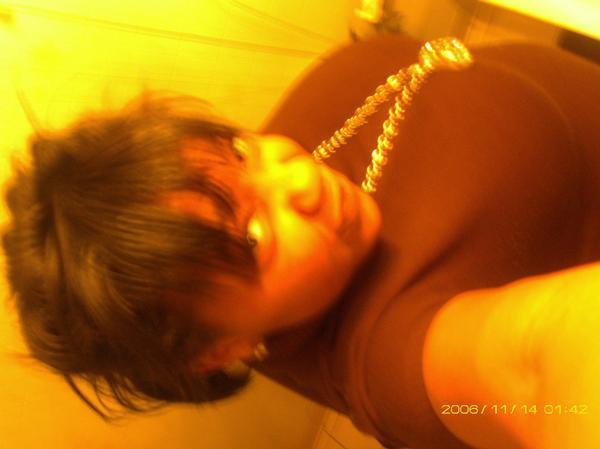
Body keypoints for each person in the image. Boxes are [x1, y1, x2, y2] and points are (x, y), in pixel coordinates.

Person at [2, 33, 599, 449]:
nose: (302, 179)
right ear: (220, 349)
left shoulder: (307, 162)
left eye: (238, 152)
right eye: (253, 237)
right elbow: (540, 375)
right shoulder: (390, 362)